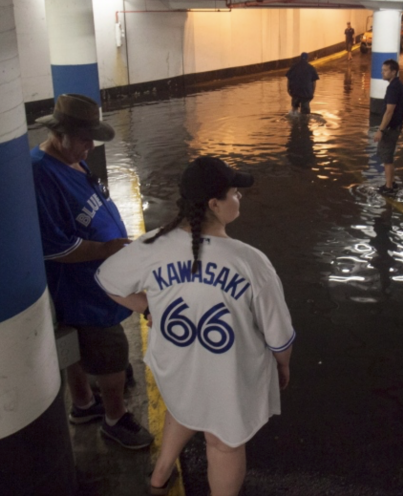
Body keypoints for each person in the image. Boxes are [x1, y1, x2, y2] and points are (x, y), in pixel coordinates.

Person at [95, 156, 295, 496]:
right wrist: (282, 364)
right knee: (223, 444)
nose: (239, 197)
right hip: (225, 373)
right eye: (234, 192)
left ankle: (159, 476)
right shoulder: (250, 262)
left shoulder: (153, 244)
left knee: (185, 403)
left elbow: (106, 279)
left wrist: (146, 307)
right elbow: (279, 336)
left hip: (176, 366)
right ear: (215, 204)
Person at [31, 93, 153, 449]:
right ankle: (115, 420)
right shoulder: (40, 173)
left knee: (79, 346)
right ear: (60, 134)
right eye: (84, 140)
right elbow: (53, 245)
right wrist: (105, 248)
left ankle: (83, 404)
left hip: (98, 279)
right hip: (83, 288)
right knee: (112, 352)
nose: (89, 147)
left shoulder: (72, 161)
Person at [373, 59, 403, 194]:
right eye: (382, 70)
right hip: (394, 127)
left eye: (385, 70)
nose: (382, 72)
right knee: (387, 156)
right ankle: (391, 182)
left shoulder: (393, 88)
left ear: (394, 72)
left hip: (390, 129)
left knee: (387, 158)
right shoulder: (398, 85)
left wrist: (380, 130)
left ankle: (389, 187)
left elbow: (389, 111)